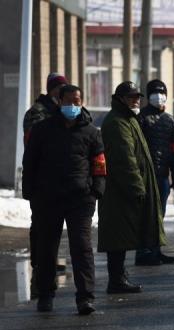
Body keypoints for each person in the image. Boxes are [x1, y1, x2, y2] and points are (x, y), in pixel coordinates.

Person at [22, 85, 105, 315]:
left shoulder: (91, 132)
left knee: (82, 248)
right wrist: (29, 191)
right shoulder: (42, 130)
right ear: (59, 102)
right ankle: (45, 295)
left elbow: (99, 163)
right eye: (70, 102)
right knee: (47, 249)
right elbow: (30, 162)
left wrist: (97, 189)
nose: (74, 106)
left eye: (78, 102)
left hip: (80, 199)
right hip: (48, 198)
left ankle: (85, 298)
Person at [99, 81, 166, 293]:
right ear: (120, 99)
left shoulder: (128, 119)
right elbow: (125, 160)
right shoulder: (117, 122)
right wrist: (137, 187)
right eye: (131, 97)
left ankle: (119, 277)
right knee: (118, 235)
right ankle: (116, 280)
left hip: (126, 188)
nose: (136, 100)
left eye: (138, 97)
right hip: (121, 189)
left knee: (123, 234)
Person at [22, 72, 68, 300]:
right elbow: (34, 145)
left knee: (53, 226)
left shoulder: (62, 110)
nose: (63, 92)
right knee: (40, 224)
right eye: (60, 88)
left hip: (60, 177)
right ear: (52, 90)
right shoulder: (37, 113)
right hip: (41, 178)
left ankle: (48, 262)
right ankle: (39, 265)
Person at [135, 79, 174, 266]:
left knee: (159, 215)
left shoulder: (169, 120)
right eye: (154, 92)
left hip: (162, 174)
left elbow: (173, 148)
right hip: (146, 174)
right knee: (146, 215)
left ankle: (156, 250)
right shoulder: (141, 118)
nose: (158, 96)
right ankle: (143, 252)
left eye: (161, 92)